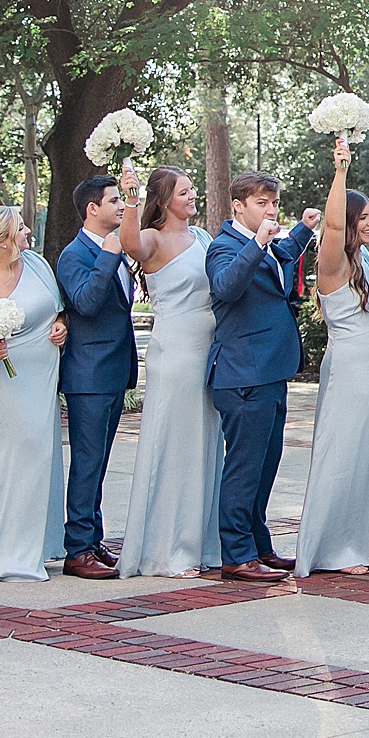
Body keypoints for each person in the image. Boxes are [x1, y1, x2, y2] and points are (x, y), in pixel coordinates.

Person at [206, 172, 319, 582]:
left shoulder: (267, 244)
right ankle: (236, 555)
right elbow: (226, 286)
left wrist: (303, 229)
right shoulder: (223, 246)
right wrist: (257, 244)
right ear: (238, 206)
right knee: (244, 468)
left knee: (265, 465)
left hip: (271, 370)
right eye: (261, 203)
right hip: (243, 374)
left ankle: (258, 545)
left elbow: (282, 254)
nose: (271, 210)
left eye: (274, 203)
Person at [116, 167, 223, 579]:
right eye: (183, 192)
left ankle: (202, 543)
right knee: (177, 445)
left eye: (192, 189)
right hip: (176, 351)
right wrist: (130, 199)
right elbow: (129, 243)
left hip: (208, 349)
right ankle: (168, 550)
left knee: (205, 443)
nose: (192, 196)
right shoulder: (153, 238)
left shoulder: (203, 238)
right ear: (162, 200)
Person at [296, 135, 369, 574]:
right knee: (344, 454)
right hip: (351, 370)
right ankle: (333, 548)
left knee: (368, 456)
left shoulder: (365, 258)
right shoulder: (332, 261)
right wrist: (340, 171)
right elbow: (332, 228)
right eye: (364, 217)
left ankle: (360, 543)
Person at [0, 208, 68, 583]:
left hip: (44, 378)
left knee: (43, 457)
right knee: (15, 460)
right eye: (20, 227)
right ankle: (8, 552)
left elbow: (58, 310)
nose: (27, 231)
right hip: (13, 383)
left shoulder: (37, 264)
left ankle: (39, 545)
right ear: (2, 240)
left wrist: (60, 326)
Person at [55, 176, 140, 579]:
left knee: (100, 463)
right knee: (87, 464)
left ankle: (92, 538)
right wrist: (108, 255)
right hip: (88, 375)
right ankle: (77, 550)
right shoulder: (75, 254)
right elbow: (86, 303)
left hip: (113, 371)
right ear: (92, 209)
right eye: (114, 201)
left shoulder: (116, 248)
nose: (121, 207)